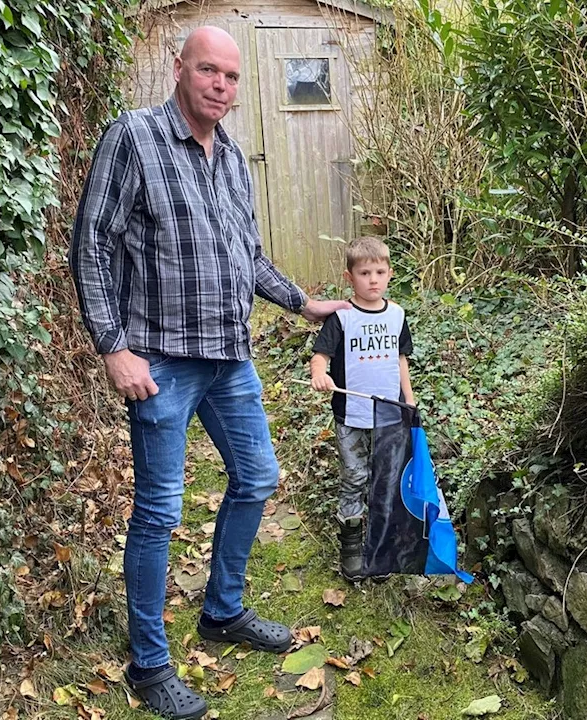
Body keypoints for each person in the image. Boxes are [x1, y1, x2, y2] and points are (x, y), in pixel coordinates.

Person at [69, 26, 347, 720]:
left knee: (258, 477)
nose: (220, 85)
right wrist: (112, 346)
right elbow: (91, 246)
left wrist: (303, 303)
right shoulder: (132, 137)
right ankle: (149, 663)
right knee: (161, 512)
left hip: (229, 356)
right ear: (179, 70)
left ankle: (222, 611)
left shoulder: (229, 160)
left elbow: (246, 256)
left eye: (230, 76)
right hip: (158, 359)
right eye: (207, 72)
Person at [309, 237, 416, 579]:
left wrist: (408, 400)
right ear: (349, 277)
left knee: (385, 479)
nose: (373, 279)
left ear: (390, 274)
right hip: (351, 415)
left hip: (389, 414)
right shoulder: (342, 317)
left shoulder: (397, 315)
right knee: (355, 476)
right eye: (365, 272)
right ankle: (352, 547)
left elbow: (400, 360)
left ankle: (380, 545)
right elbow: (320, 355)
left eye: (380, 272)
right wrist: (319, 374)